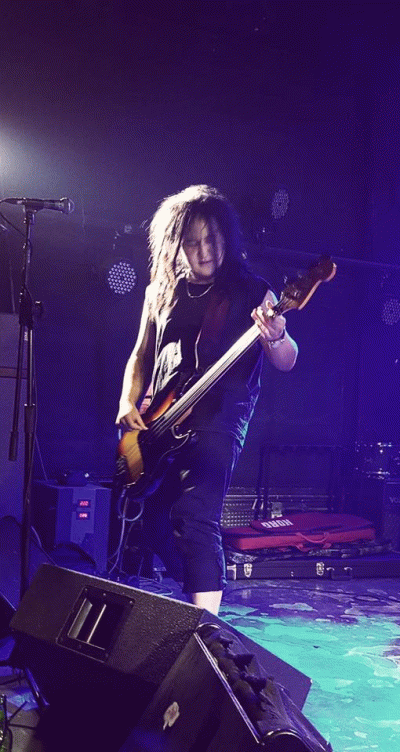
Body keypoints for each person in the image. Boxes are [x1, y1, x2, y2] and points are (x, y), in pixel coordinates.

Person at [116, 185, 298, 615]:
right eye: (193, 241)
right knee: (154, 522)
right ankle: (200, 591)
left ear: (226, 237)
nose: (205, 251)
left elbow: (287, 359)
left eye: (212, 239)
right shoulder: (161, 292)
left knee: (195, 515)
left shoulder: (253, 291)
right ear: (176, 244)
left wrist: (277, 337)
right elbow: (141, 354)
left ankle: (206, 627)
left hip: (219, 419)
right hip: (162, 422)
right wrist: (127, 402)